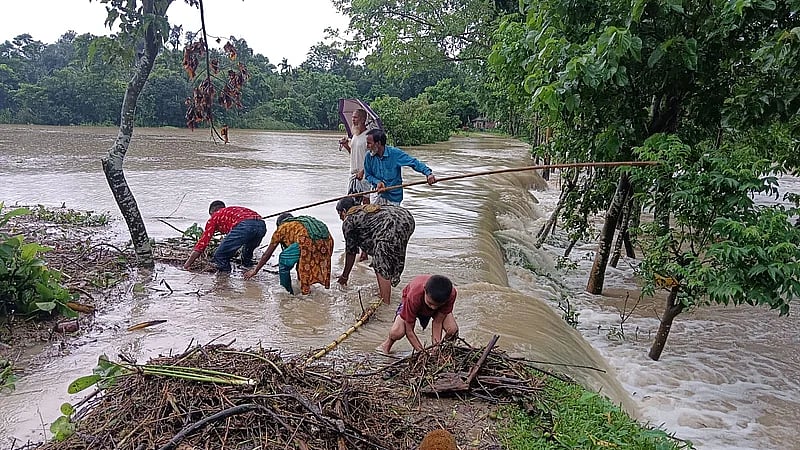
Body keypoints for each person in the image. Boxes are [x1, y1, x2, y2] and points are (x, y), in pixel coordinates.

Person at [335, 197, 415, 304]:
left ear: (344, 211)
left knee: (380, 263)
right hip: (406, 217)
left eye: (340, 214)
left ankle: (385, 302)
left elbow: (351, 252)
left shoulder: (349, 220)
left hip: (390, 224)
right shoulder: (365, 209)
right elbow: (368, 231)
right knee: (389, 254)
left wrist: (344, 276)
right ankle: (384, 289)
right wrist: (365, 254)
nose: (341, 218)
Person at [244, 212, 333, 295]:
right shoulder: (301, 223)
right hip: (328, 241)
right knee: (304, 262)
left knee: (283, 259)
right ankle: (310, 289)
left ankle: (286, 291)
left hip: (306, 241)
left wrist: (255, 270)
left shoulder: (282, 227)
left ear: (279, 224)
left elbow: (267, 254)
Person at [377, 274, 459, 355]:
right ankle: (386, 345)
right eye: (430, 303)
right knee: (397, 332)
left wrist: (436, 348)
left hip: (435, 305)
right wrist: (421, 352)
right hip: (412, 302)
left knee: (452, 330)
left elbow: (437, 322)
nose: (433, 308)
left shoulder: (451, 294)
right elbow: (409, 331)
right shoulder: (413, 296)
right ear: (424, 291)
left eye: (437, 305)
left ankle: (445, 351)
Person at [184, 201, 266, 272]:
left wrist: (187, 265)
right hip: (261, 225)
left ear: (212, 212)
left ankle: (224, 280)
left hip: (244, 226)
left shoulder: (215, 216)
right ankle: (249, 274)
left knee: (220, 256)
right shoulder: (232, 211)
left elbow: (201, 244)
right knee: (247, 254)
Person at [364, 129, 437, 206]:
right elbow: (368, 175)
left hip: (393, 197)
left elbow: (413, 163)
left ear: (378, 143)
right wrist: (377, 182)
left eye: (369, 143)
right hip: (377, 195)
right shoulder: (369, 156)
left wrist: (428, 173)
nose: (367, 146)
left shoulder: (395, 154)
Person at [338, 108, 371, 261]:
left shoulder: (368, 137)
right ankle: (353, 244)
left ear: (363, 119)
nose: (353, 120)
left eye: (356, 118)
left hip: (364, 178)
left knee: (364, 210)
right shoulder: (356, 136)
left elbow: (372, 158)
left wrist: (364, 171)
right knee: (350, 209)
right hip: (353, 176)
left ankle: (364, 250)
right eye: (353, 117)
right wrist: (346, 145)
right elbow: (355, 155)